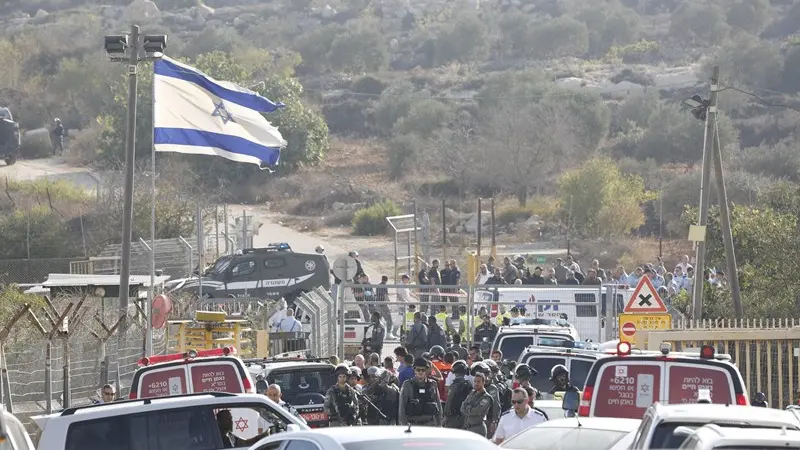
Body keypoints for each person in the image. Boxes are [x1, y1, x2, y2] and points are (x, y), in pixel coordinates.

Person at [399, 357, 443, 426]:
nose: (420, 372)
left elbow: (438, 404)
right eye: (418, 370)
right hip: (413, 424)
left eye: (423, 370)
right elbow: (402, 407)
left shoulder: (432, 384)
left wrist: (439, 424)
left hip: (430, 424)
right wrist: (404, 425)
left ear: (426, 370)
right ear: (414, 370)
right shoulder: (407, 385)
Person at [461, 363, 495, 437]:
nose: (476, 383)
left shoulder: (486, 397)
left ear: (483, 382)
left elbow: (476, 411)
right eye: (475, 381)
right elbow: (462, 407)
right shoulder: (472, 393)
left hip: (478, 428)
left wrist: (468, 409)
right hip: (468, 428)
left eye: (478, 382)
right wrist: (468, 409)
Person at [444, 360, 472, 429]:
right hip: (465, 416)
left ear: (455, 373)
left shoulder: (455, 385)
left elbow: (449, 401)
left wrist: (445, 415)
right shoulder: (469, 385)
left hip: (453, 417)